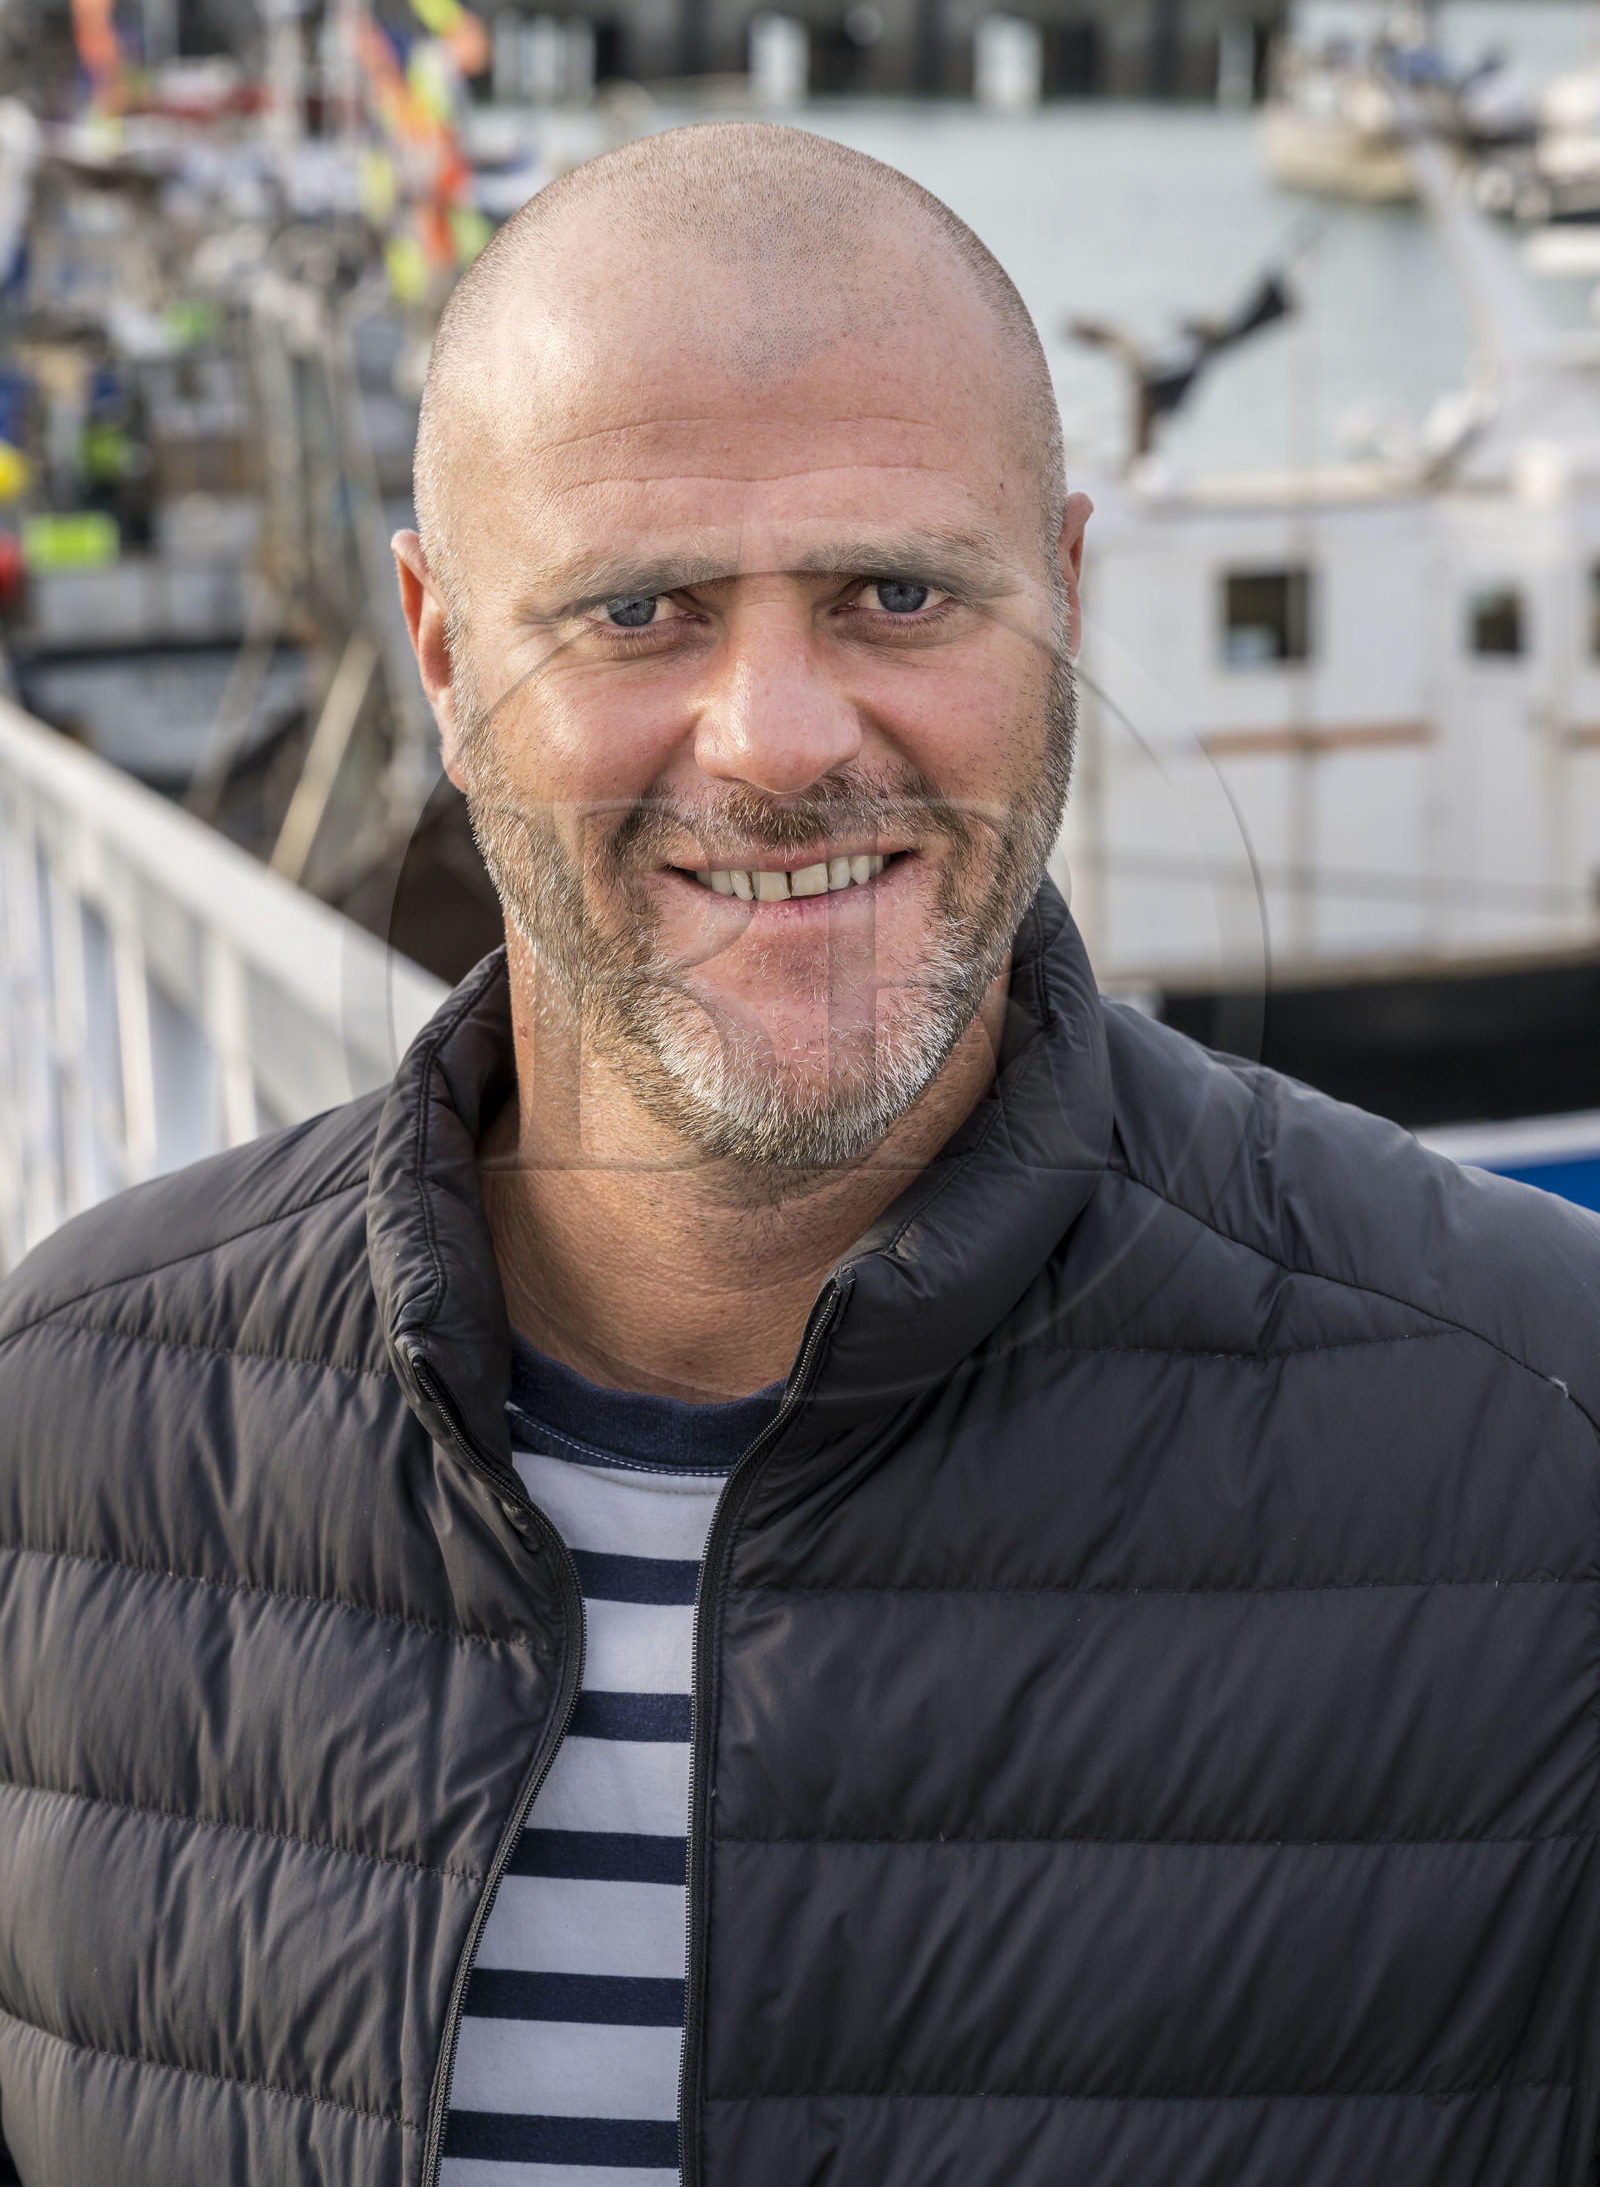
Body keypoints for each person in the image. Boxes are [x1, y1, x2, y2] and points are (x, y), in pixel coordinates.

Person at [1, 123, 1598, 2187]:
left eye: (897, 591)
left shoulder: (1540, 1455)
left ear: (1065, 600)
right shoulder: (56, 1442)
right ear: (442, 650)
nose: (773, 736)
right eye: (640, 608)